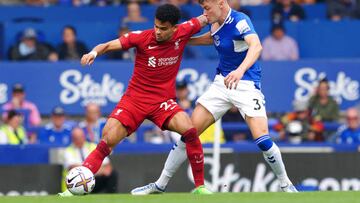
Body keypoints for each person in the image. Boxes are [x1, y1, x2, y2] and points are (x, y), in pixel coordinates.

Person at [132, 0, 298, 194]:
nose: (204, 12)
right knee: (189, 133)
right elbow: (212, 38)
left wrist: (240, 70)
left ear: (221, 3)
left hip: (246, 84)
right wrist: (180, 40)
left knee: (262, 140)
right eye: (202, 8)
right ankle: (160, 185)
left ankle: (286, 184)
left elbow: (256, 46)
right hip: (222, 84)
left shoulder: (240, 21)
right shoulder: (215, 21)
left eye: (207, 7)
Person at [58, 4, 210, 196]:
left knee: (190, 130)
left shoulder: (185, 30)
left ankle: (200, 187)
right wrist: (93, 53)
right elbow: (107, 45)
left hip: (162, 101)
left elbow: (207, 16)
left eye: (163, 29)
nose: (158, 31)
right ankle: (73, 190)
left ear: (174, 28)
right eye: (156, 26)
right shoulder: (141, 37)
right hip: (135, 100)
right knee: (108, 140)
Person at [62, 127, 118, 193]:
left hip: (93, 181)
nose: (79, 140)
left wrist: (84, 170)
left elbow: (107, 168)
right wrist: (96, 169)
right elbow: (74, 169)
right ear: (72, 139)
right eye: (76, 138)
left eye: (80, 137)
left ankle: (111, 197)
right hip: (75, 184)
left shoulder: (93, 146)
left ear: (84, 137)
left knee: (113, 173)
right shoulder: (68, 151)